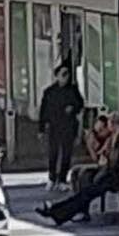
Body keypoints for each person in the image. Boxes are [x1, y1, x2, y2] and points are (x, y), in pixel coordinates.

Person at [38, 112, 119, 226]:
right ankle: (58, 211)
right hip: (112, 173)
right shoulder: (115, 136)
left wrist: (107, 158)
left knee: (88, 192)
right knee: (86, 187)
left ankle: (56, 211)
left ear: (113, 124)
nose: (107, 127)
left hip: (118, 176)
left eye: (108, 124)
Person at [38, 63, 84, 192]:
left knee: (66, 154)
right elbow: (44, 111)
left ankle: (62, 179)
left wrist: (73, 108)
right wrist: (41, 128)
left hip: (68, 126)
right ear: (57, 76)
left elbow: (80, 103)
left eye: (68, 74)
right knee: (53, 153)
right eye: (63, 74)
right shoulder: (49, 92)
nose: (66, 77)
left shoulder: (73, 90)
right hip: (54, 126)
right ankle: (52, 178)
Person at [70, 112, 112, 193]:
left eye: (101, 130)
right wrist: (88, 143)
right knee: (75, 171)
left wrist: (91, 147)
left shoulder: (109, 139)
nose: (98, 133)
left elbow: (96, 158)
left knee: (83, 173)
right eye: (96, 131)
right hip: (96, 160)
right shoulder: (93, 136)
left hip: (102, 164)